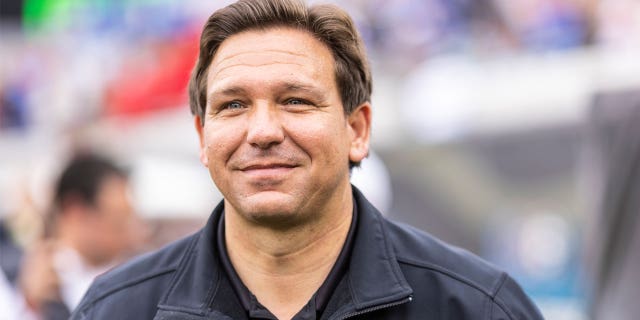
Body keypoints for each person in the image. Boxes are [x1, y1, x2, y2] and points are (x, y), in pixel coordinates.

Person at [71, 0, 544, 319]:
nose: (262, 132)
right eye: (233, 105)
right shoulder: (117, 310)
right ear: (202, 135)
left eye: (295, 100)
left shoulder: (477, 307)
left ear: (356, 130)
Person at [20, 153, 144, 319]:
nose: (133, 235)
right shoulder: (19, 284)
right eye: (118, 223)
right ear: (76, 211)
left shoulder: (137, 277)